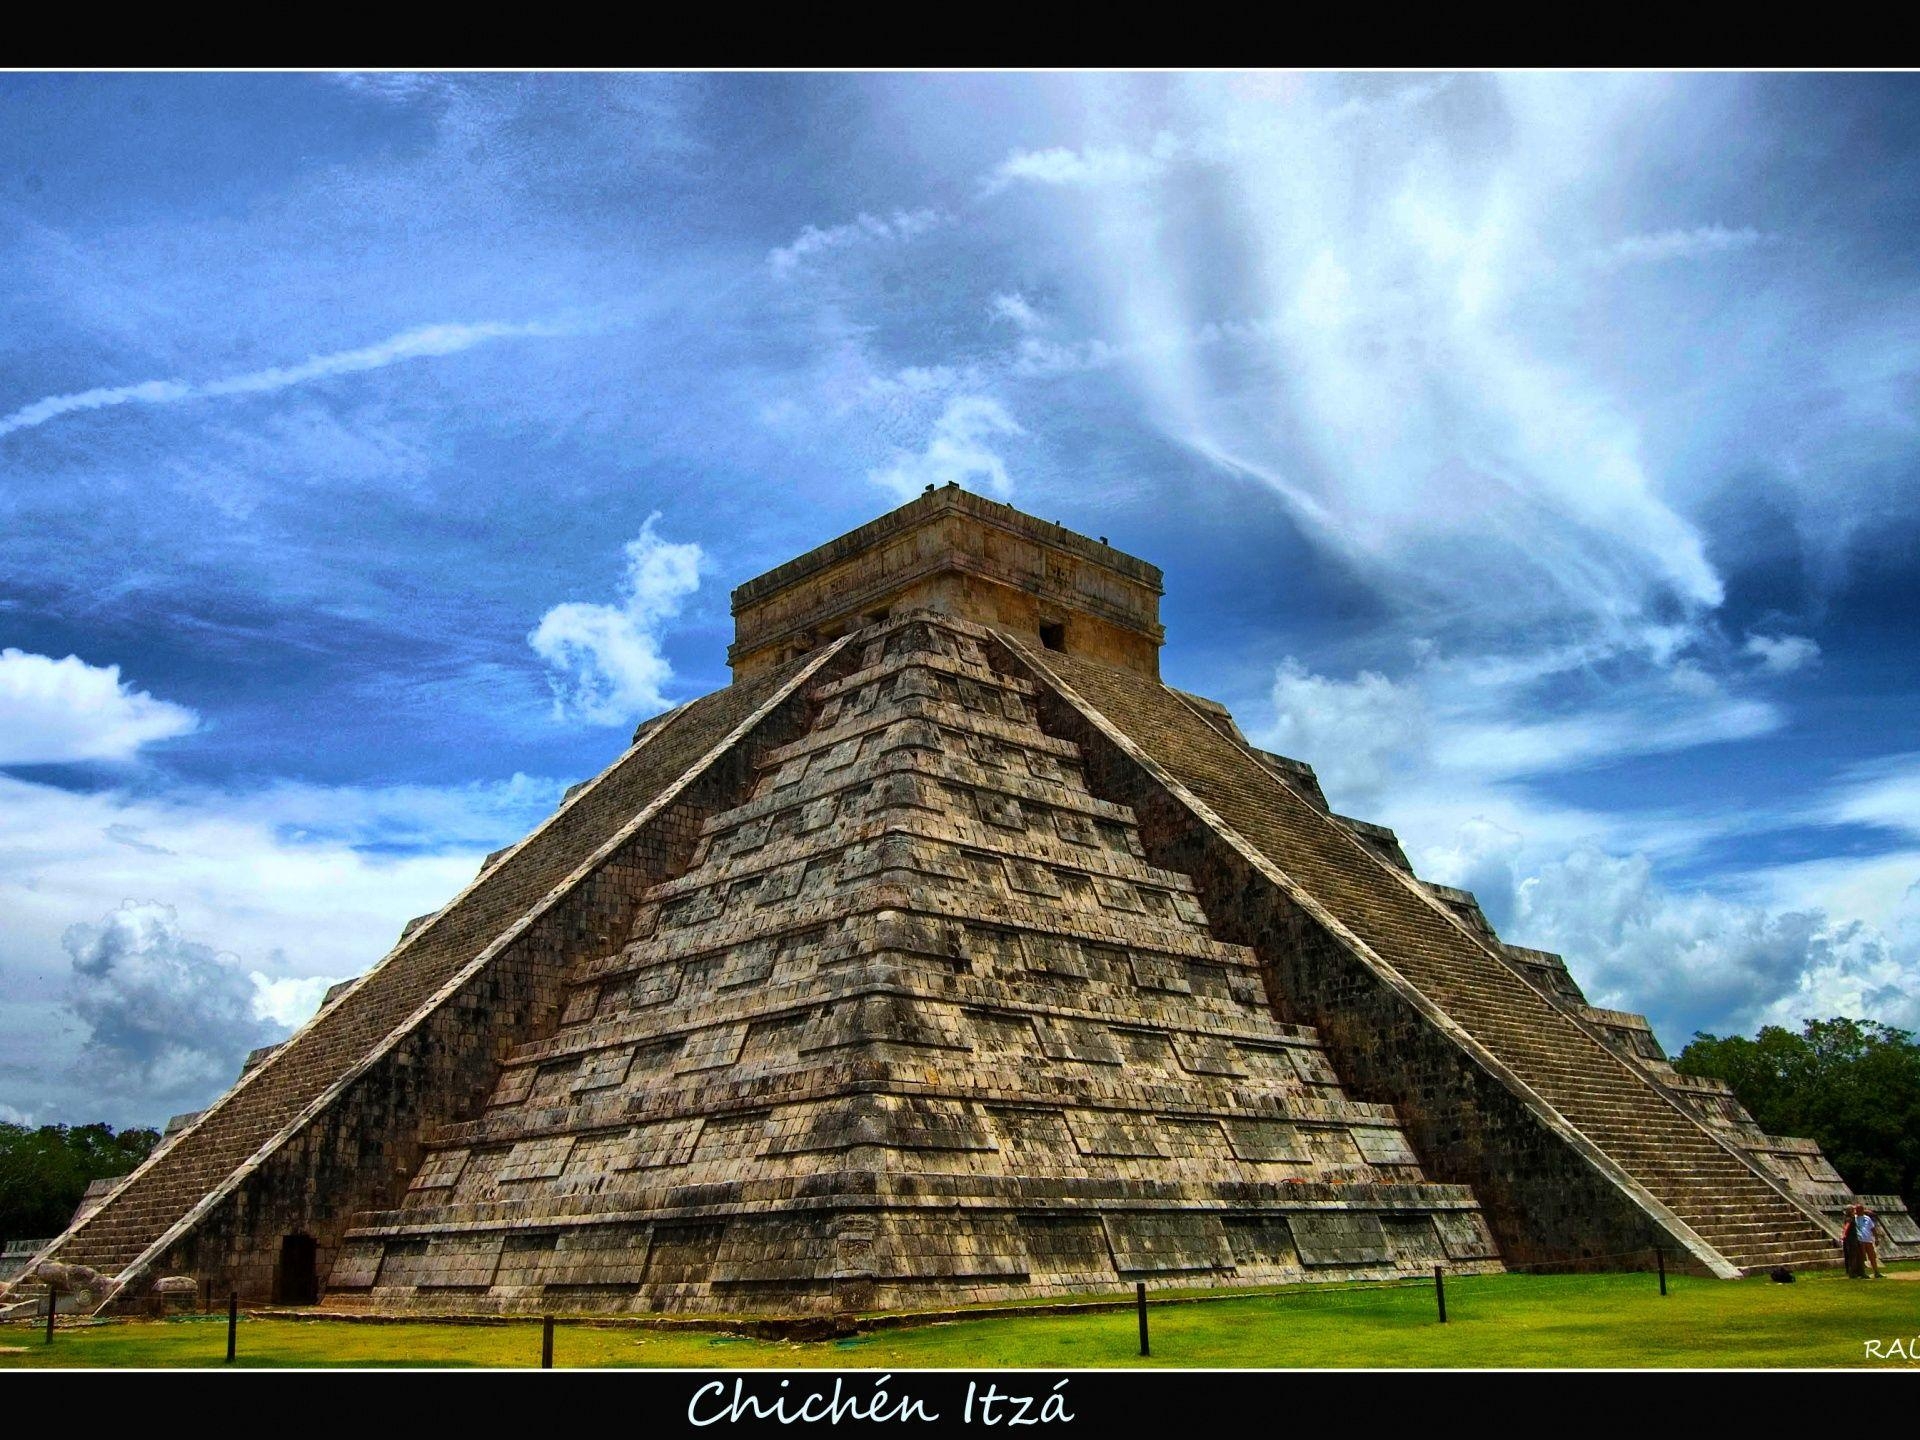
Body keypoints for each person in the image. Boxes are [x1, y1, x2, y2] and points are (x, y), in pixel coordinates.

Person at [1851, 1202, 1884, 1279]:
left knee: (1872, 1257)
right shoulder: (1854, 1218)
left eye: (1859, 1209)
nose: (1858, 1211)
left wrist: (1876, 1238)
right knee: (1862, 1257)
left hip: (1868, 1240)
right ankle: (1863, 1273)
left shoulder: (1867, 1218)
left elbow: (1873, 1229)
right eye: (1857, 1209)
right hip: (1860, 1240)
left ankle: (1876, 1272)